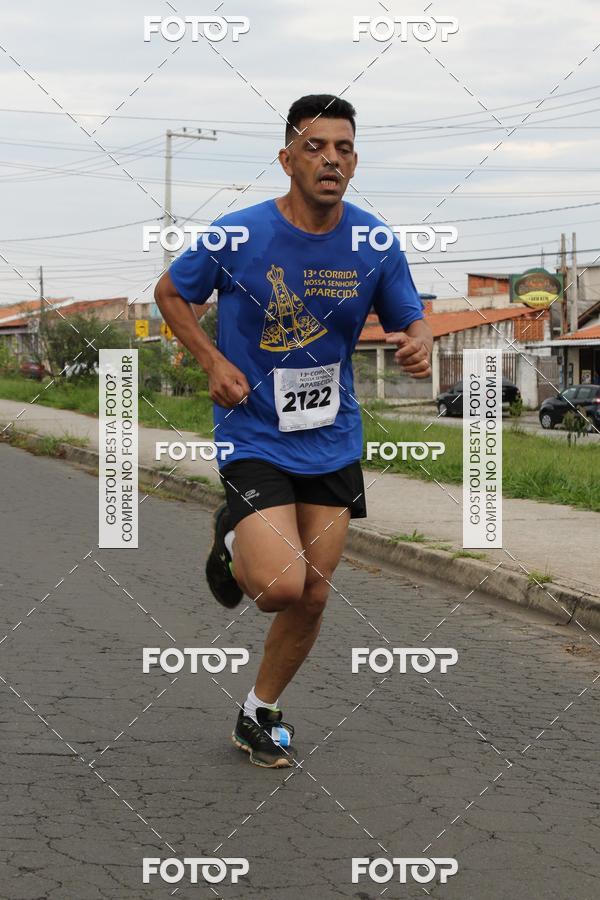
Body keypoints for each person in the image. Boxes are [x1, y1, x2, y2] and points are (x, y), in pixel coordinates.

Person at [154, 94, 433, 768]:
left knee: (313, 592)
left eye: (343, 148)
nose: (330, 159)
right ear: (287, 159)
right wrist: (212, 360)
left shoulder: (373, 243)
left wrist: (420, 340)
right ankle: (230, 536)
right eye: (315, 146)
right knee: (279, 585)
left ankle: (259, 710)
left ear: (355, 162)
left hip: (330, 434)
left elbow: (409, 315)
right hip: (253, 430)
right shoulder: (239, 234)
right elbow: (171, 292)